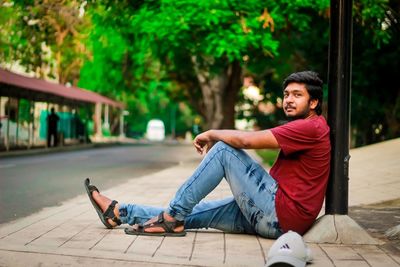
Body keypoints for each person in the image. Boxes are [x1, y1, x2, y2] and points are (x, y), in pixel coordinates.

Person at [84, 70, 330, 238]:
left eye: (297, 95)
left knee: (223, 150)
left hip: (280, 215)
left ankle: (171, 217)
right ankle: (119, 213)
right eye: (286, 94)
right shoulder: (308, 126)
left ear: (314, 103)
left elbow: (246, 141)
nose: (288, 100)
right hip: (275, 216)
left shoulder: (310, 126)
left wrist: (211, 133)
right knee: (194, 214)